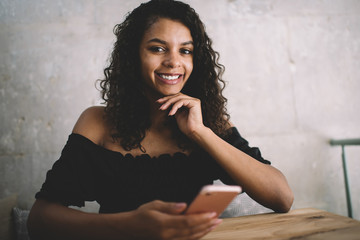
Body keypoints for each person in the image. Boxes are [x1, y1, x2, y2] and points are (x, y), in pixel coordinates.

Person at [27, 0, 294, 239]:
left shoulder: (209, 121)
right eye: (158, 48)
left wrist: (201, 133)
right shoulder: (98, 122)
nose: (173, 62)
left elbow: (282, 198)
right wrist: (129, 225)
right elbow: (39, 221)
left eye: (186, 51)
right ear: (133, 57)